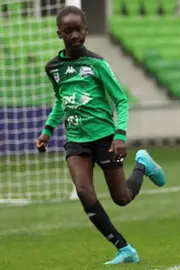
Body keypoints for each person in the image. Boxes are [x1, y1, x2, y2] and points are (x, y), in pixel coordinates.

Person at [35, 6, 166, 265]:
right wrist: (47, 131)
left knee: (122, 198)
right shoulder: (53, 68)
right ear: (59, 33)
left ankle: (142, 164)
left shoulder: (97, 64)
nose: (74, 35)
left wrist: (120, 135)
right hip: (75, 140)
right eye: (68, 30)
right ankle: (123, 247)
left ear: (86, 30)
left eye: (78, 30)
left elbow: (121, 99)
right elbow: (61, 101)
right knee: (84, 191)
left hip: (105, 138)